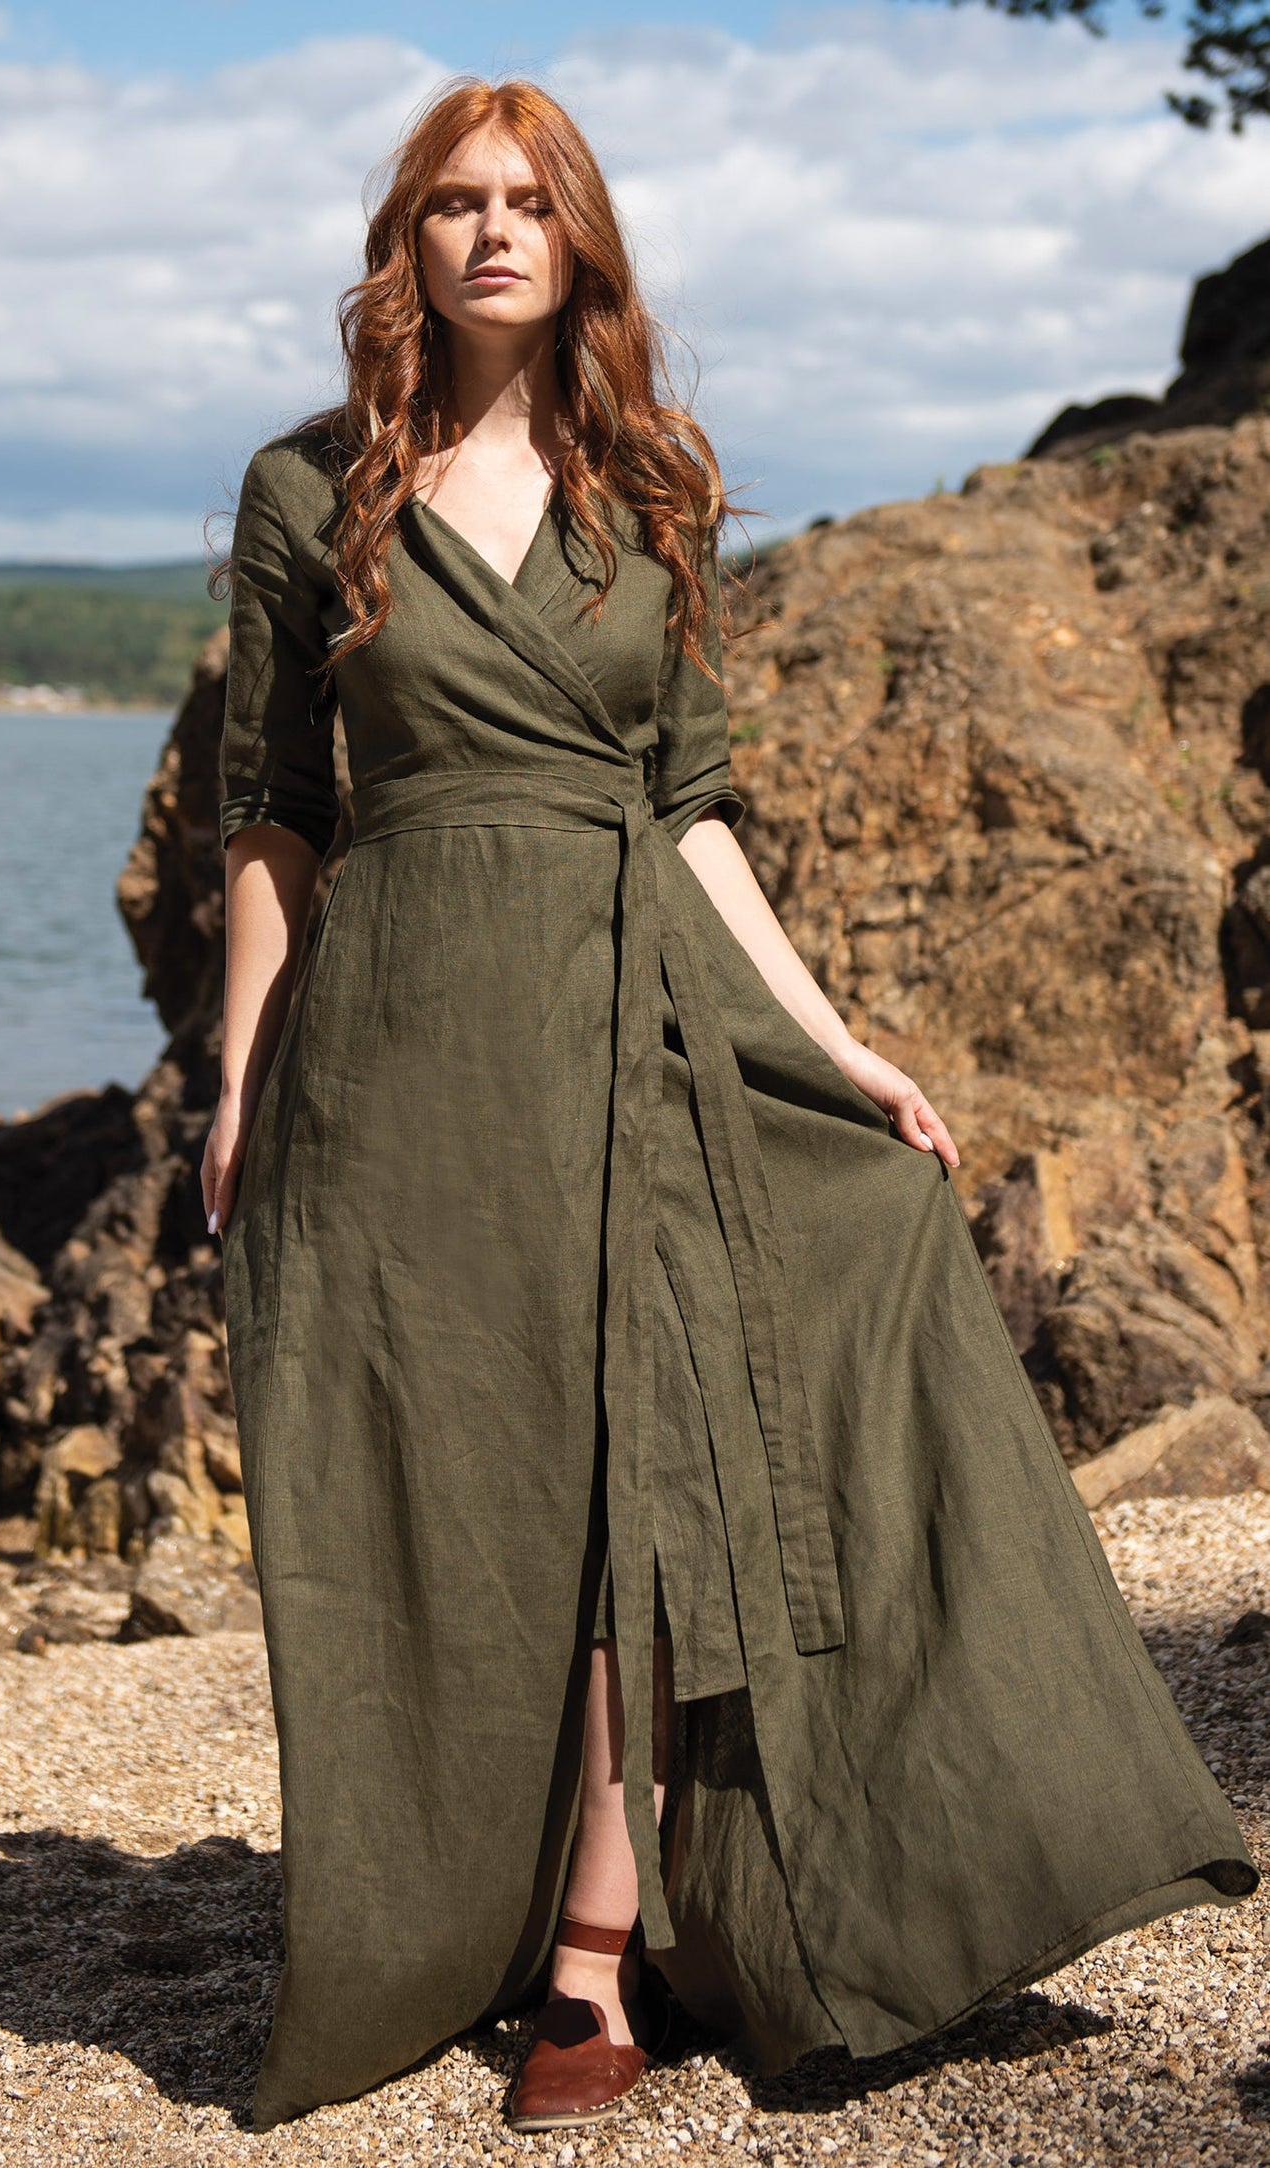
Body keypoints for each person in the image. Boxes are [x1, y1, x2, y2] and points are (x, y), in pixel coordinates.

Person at [201, 75, 1256, 2139]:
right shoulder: (307, 488)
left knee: (650, 1463)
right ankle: (458, 1909)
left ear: (579, 242)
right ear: (405, 241)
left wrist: (836, 1039)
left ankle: (597, 1957)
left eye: (530, 203)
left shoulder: (647, 486)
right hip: (407, 1042)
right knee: (459, 1475)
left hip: (637, 1013)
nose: (492, 233)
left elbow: (687, 809)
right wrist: (243, 1072)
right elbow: (277, 808)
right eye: (453, 202)